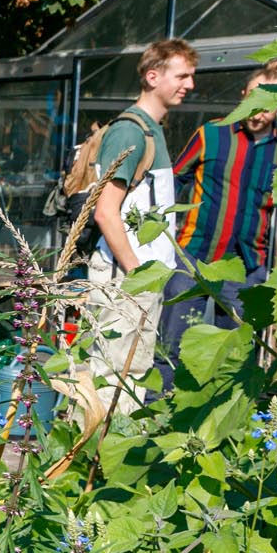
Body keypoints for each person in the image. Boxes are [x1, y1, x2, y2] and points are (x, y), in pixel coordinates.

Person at [159, 59, 277, 373]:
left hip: (248, 266)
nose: (259, 108)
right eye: (255, 97)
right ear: (243, 94)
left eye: (270, 101)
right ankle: (157, 414)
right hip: (194, 256)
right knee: (173, 346)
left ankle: (220, 417)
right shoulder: (212, 134)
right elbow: (173, 180)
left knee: (235, 355)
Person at [83, 38, 195, 407]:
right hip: (126, 275)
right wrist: (136, 271)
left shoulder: (152, 129)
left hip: (143, 275)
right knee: (113, 377)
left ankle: (108, 457)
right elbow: (104, 210)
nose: (189, 85)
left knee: (131, 374)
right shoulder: (130, 131)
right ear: (152, 76)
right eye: (182, 76)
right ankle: (93, 459)